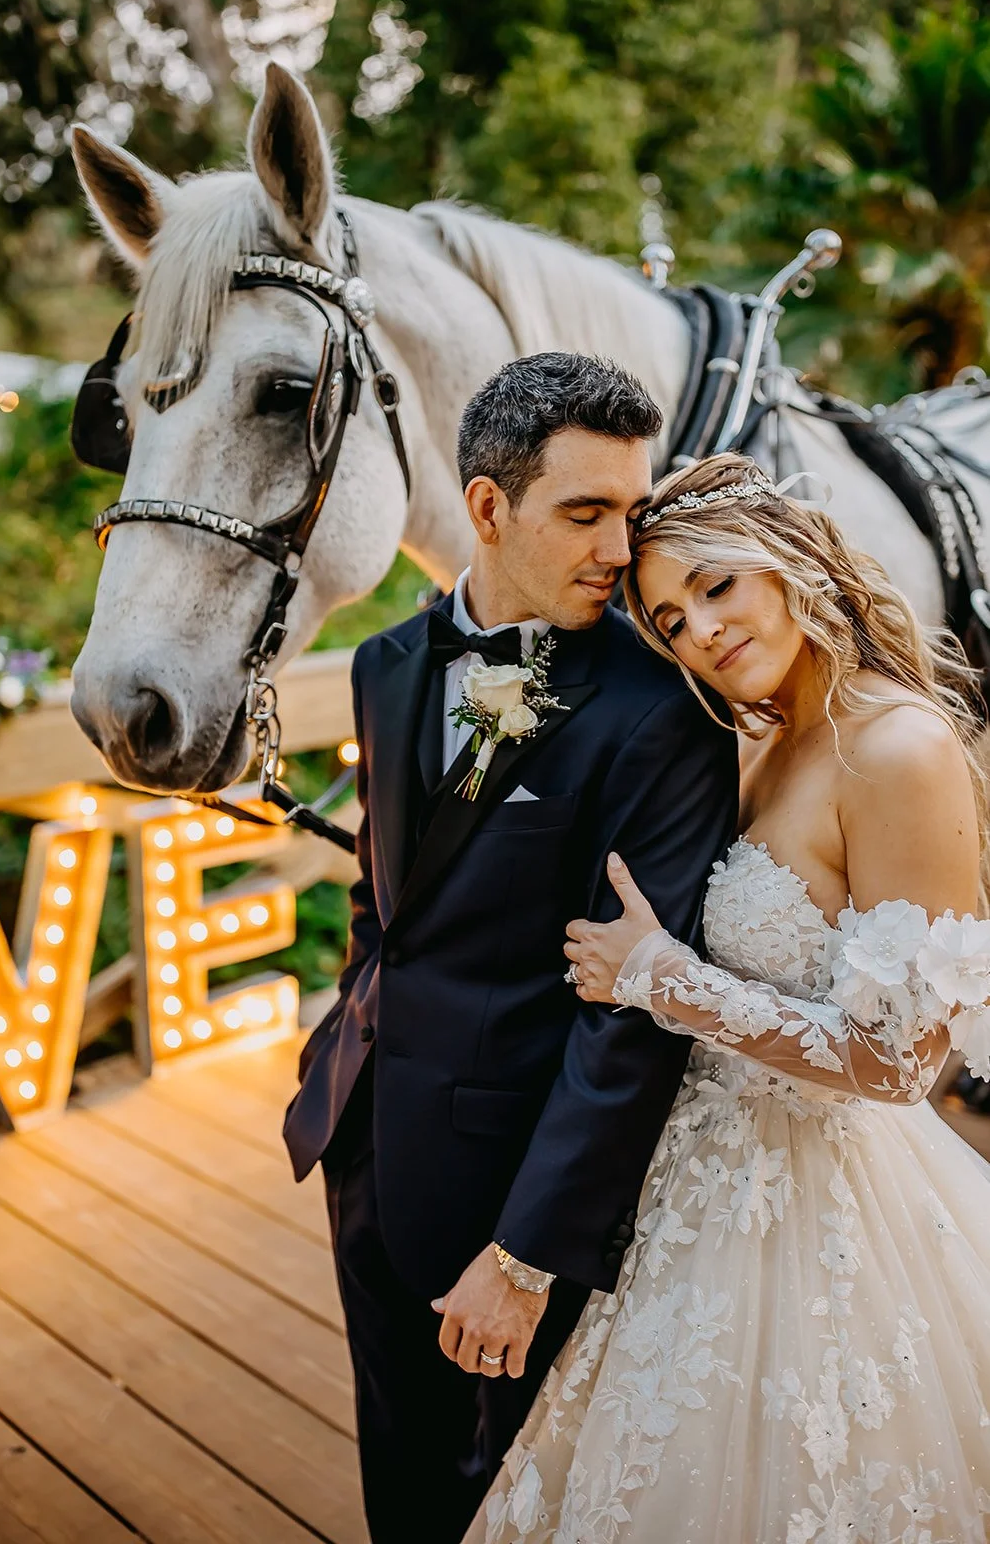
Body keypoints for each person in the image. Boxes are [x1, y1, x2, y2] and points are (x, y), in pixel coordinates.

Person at [467, 452, 990, 1544]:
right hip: (688, 1180)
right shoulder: (752, 736)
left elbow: (898, 1064)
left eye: (715, 586)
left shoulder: (897, 748)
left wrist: (665, 979)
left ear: (786, 561)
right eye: (666, 617)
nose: (697, 630)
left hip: (822, 1207)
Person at [282, 354, 738, 1542]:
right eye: (582, 513)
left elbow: (629, 1016)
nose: (616, 547)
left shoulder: (661, 715)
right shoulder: (384, 665)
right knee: (402, 1473)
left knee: (524, 1496)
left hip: (518, 1185)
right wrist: (338, 1048)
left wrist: (527, 1252)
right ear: (486, 508)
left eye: (631, 513)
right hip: (363, 1138)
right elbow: (386, 895)